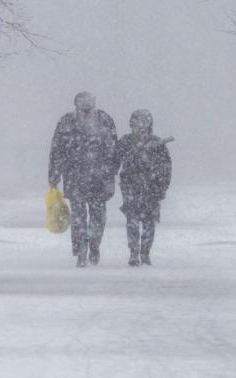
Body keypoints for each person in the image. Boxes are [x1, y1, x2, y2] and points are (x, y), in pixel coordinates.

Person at [48, 91, 117, 267]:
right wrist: (54, 175)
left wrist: (110, 172)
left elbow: (113, 150)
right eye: (82, 108)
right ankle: (80, 248)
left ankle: (94, 245)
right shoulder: (66, 122)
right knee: (78, 216)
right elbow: (57, 150)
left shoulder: (105, 121)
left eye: (89, 108)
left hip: (99, 178)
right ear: (76, 106)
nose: (86, 112)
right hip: (74, 177)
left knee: (98, 217)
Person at [114, 109, 172, 266]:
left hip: (152, 189)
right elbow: (114, 162)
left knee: (149, 222)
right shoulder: (125, 142)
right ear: (131, 125)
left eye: (144, 125)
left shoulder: (158, 143)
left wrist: (162, 187)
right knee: (132, 221)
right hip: (130, 187)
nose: (141, 128)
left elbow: (166, 168)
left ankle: (145, 253)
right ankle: (134, 253)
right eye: (137, 125)